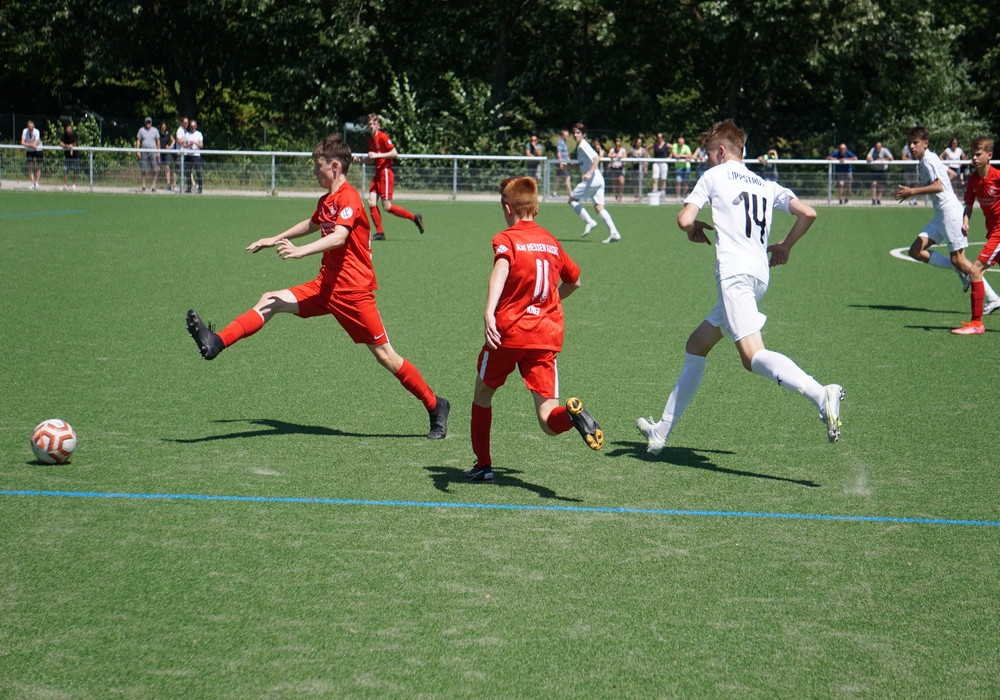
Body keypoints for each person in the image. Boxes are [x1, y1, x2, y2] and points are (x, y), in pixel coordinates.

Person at [185, 134, 450, 440]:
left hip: (353, 294)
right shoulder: (326, 201)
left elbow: (339, 236)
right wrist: (275, 238)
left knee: (386, 357)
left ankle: (436, 405)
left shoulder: (350, 198)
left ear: (335, 166)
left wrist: (300, 251)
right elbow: (312, 224)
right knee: (270, 299)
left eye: (318, 166)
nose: (314, 172)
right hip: (325, 288)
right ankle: (217, 342)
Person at [637, 119, 843, 454]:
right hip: (759, 275)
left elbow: (683, 219)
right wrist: (786, 246)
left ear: (721, 151)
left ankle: (822, 394)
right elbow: (808, 213)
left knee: (752, 356)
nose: (706, 159)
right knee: (696, 345)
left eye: (708, 153)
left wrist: (693, 226)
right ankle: (660, 431)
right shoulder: (765, 184)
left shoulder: (714, 176)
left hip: (734, 276)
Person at [466, 176, 602, 482]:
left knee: (483, 394)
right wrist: (549, 301)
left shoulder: (507, 238)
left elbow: (501, 267)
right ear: (536, 208)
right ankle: (571, 414)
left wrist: (488, 311)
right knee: (547, 418)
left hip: (508, 333)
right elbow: (575, 281)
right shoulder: (552, 242)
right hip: (545, 335)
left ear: (507, 208)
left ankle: (483, 466)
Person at [894, 126, 1000, 309]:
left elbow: (938, 186)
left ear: (925, 143)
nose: (911, 146)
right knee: (915, 251)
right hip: (941, 215)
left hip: (950, 213)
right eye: (909, 143)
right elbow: (946, 177)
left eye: (915, 143)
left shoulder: (929, 160)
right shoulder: (926, 160)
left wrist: (912, 191)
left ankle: (993, 298)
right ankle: (958, 270)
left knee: (960, 260)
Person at [951, 137, 1000, 334]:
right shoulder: (973, 180)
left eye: (978, 154)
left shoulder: (997, 176)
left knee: (975, 271)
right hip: (992, 231)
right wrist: (966, 221)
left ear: (989, 155)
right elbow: (969, 206)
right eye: (973, 154)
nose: (974, 158)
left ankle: (976, 323)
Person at [356, 113, 423, 241]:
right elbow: (371, 159)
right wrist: (360, 160)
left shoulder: (383, 137)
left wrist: (377, 155)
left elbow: (394, 153)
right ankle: (380, 233)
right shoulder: (371, 140)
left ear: (378, 125)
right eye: (369, 124)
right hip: (378, 173)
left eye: (374, 124)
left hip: (385, 173)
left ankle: (414, 218)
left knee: (387, 206)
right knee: (371, 202)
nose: (371, 126)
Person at [568, 122, 622, 243]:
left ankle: (589, 221)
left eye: (578, 133)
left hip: (592, 179)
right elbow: (582, 166)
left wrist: (589, 173)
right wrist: (568, 167)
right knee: (599, 207)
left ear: (584, 134)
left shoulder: (583, 145)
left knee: (572, 200)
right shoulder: (580, 147)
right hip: (598, 179)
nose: (575, 135)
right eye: (574, 133)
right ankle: (614, 233)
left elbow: (597, 158)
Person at [136, 116, 160, 192]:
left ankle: (153, 185)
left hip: (153, 151)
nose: (148, 123)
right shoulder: (141, 130)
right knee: (143, 168)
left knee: (154, 169)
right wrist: (137, 151)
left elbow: (158, 141)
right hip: (144, 151)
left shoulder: (155, 130)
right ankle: (143, 185)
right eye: (147, 122)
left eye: (149, 122)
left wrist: (158, 152)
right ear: (145, 122)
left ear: (151, 123)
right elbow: (138, 141)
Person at [865, 141, 893, 205]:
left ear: (881, 147)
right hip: (874, 169)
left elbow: (891, 158)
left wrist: (882, 159)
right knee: (874, 183)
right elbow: (867, 157)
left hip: (883, 169)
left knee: (881, 184)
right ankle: (873, 199)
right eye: (876, 147)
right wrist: (871, 159)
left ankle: (879, 199)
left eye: (879, 147)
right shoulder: (872, 150)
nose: (877, 148)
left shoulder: (885, 150)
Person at [21, 120, 42, 190]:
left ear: (34, 126)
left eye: (32, 127)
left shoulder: (37, 131)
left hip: (38, 149)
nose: (31, 129)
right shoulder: (25, 131)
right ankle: (33, 183)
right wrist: (30, 145)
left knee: (38, 166)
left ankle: (37, 183)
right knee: (30, 166)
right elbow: (22, 142)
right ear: (27, 127)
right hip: (30, 149)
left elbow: (35, 143)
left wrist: (28, 144)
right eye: (29, 127)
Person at [184, 119, 204, 193]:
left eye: (194, 126)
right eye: (191, 126)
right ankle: (189, 188)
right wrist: (189, 145)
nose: (193, 127)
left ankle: (200, 188)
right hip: (188, 155)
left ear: (196, 126)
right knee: (188, 172)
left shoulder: (199, 134)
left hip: (196, 155)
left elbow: (201, 145)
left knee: (198, 171)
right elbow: (184, 145)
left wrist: (195, 143)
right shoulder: (187, 134)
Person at [58, 123, 80, 190]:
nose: (68, 130)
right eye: (67, 129)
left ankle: (74, 184)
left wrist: (71, 145)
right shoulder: (64, 135)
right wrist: (66, 146)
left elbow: (75, 143)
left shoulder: (75, 135)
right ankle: (66, 185)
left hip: (75, 155)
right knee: (65, 169)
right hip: (67, 156)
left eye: (69, 129)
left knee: (76, 170)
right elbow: (60, 143)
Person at [672, 135, 693, 200]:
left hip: (687, 167)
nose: (681, 144)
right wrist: (685, 156)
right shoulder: (675, 146)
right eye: (679, 142)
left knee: (685, 182)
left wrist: (680, 155)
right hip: (678, 167)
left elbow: (690, 155)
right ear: (678, 142)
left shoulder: (686, 147)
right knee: (678, 181)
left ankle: (683, 196)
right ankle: (678, 197)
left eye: (682, 142)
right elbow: (675, 155)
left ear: (683, 142)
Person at [629, 137, 648, 202]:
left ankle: (640, 195)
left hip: (641, 168)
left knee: (641, 182)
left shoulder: (643, 150)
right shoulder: (632, 150)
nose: (639, 144)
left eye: (640, 143)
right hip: (634, 168)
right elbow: (627, 155)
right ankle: (636, 196)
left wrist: (645, 167)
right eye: (638, 142)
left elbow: (646, 159)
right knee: (634, 182)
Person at [608, 138, 627, 202]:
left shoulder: (623, 150)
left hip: (620, 168)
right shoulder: (612, 150)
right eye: (616, 145)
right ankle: (616, 198)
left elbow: (625, 156)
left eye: (619, 145)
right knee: (614, 183)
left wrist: (619, 156)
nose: (617, 146)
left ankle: (620, 197)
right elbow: (609, 155)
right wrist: (613, 156)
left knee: (621, 182)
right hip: (613, 168)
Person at [159, 121, 175, 191]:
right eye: (162, 127)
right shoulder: (158, 134)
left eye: (164, 127)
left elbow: (173, 140)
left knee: (167, 167)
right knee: (158, 167)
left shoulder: (168, 134)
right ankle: (154, 183)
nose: (163, 128)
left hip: (166, 152)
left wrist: (170, 147)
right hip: (159, 152)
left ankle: (168, 184)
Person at [555, 129, 572, 197]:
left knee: (558, 177)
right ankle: (571, 194)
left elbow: (565, 154)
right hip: (562, 163)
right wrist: (561, 162)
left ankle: (554, 193)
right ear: (562, 136)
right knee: (567, 177)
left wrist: (570, 161)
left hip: (564, 162)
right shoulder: (560, 143)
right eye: (566, 135)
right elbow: (559, 153)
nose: (567, 136)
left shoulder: (564, 143)